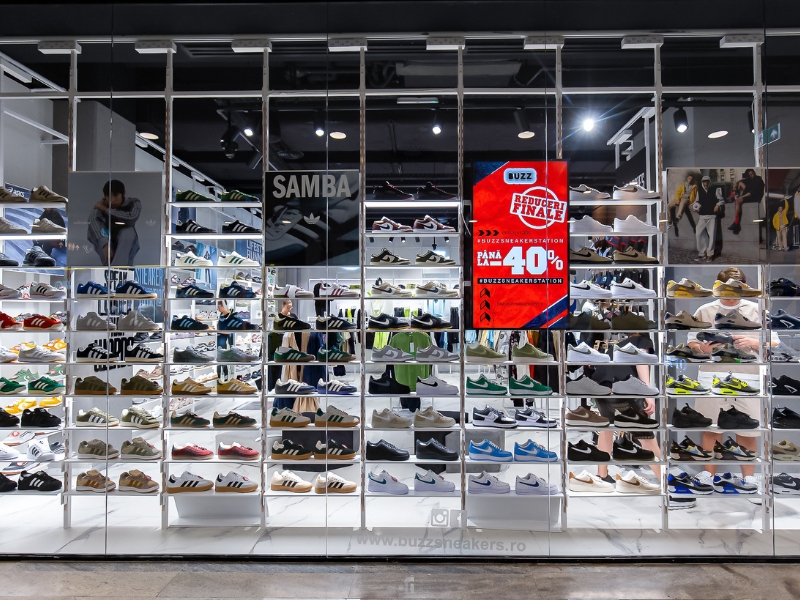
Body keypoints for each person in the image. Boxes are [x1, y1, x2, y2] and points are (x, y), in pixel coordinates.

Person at [686, 267, 776, 497]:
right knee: (710, 428)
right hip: (712, 378)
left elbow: (774, 343)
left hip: (747, 379)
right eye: (726, 292)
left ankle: (748, 478)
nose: (730, 297)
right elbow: (691, 342)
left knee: (747, 430)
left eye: (735, 291)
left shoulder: (756, 310)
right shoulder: (705, 310)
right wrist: (703, 348)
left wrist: (754, 343)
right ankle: (708, 476)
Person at [87, 179, 142, 266]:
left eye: (116, 195)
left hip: (125, 240)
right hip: (107, 239)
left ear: (123, 193)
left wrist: (106, 210)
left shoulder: (133, 202)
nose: (112, 200)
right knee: (99, 229)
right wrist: (105, 245)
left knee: (128, 231)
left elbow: (131, 218)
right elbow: (93, 223)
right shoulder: (100, 205)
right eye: (108, 196)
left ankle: (118, 269)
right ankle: (114, 269)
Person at [693, 175, 723, 262]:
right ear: (702, 182)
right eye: (704, 181)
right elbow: (696, 201)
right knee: (698, 234)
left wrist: (717, 205)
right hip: (702, 216)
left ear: (709, 182)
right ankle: (701, 254)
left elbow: (721, 200)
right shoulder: (699, 191)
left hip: (712, 216)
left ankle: (710, 254)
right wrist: (694, 206)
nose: (705, 183)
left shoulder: (714, 189)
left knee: (712, 235)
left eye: (707, 181)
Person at [728, 169, 765, 235]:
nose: (751, 176)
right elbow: (742, 180)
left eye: (752, 174)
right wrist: (736, 183)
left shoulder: (758, 180)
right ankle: (732, 196)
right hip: (749, 194)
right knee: (740, 183)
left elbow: (752, 192)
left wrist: (742, 197)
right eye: (750, 175)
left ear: (754, 173)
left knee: (738, 201)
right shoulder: (749, 179)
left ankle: (736, 223)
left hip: (755, 197)